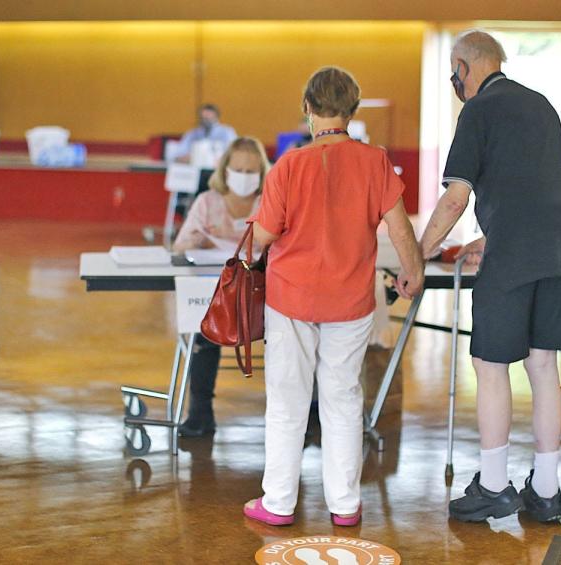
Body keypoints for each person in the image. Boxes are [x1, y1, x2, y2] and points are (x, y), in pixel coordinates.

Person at [243, 66, 424, 527]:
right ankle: (345, 505)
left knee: (287, 400)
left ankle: (279, 503)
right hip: (350, 301)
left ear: (307, 108)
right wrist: (413, 272)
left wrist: (248, 242)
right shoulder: (375, 161)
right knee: (343, 398)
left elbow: (261, 237)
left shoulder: (289, 165)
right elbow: (399, 227)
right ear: (352, 110)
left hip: (292, 301)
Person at [419, 31, 561, 523]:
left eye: (455, 74)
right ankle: (546, 492)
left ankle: (493, 486)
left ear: (463, 68)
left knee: (491, 366)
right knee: (543, 366)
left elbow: (456, 198)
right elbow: (537, 189)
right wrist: (487, 237)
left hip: (515, 257)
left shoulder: (478, 111)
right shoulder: (542, 106)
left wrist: (418, 256)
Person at [173, 136, 271, 437]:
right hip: (214, 289)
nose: (244, 177)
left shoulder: (268, 201)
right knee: (202, 330)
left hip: (261, 290)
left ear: (262, 172)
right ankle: (200, 412)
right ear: (225, 170)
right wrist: (196, 240)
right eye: (238, 169)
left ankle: (305, 416)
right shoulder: (207, 202)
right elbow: (180, 246)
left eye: (250, 171)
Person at [171, 104, 238, 163]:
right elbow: (179, 153)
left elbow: (234, 153)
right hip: (195, 169)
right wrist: (187, 158)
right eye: (203, 118)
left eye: (208, 117)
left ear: (216, 117)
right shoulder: (192, 133)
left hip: (219, 169)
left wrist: (221, 160)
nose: (205, 120)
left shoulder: (227, 132)